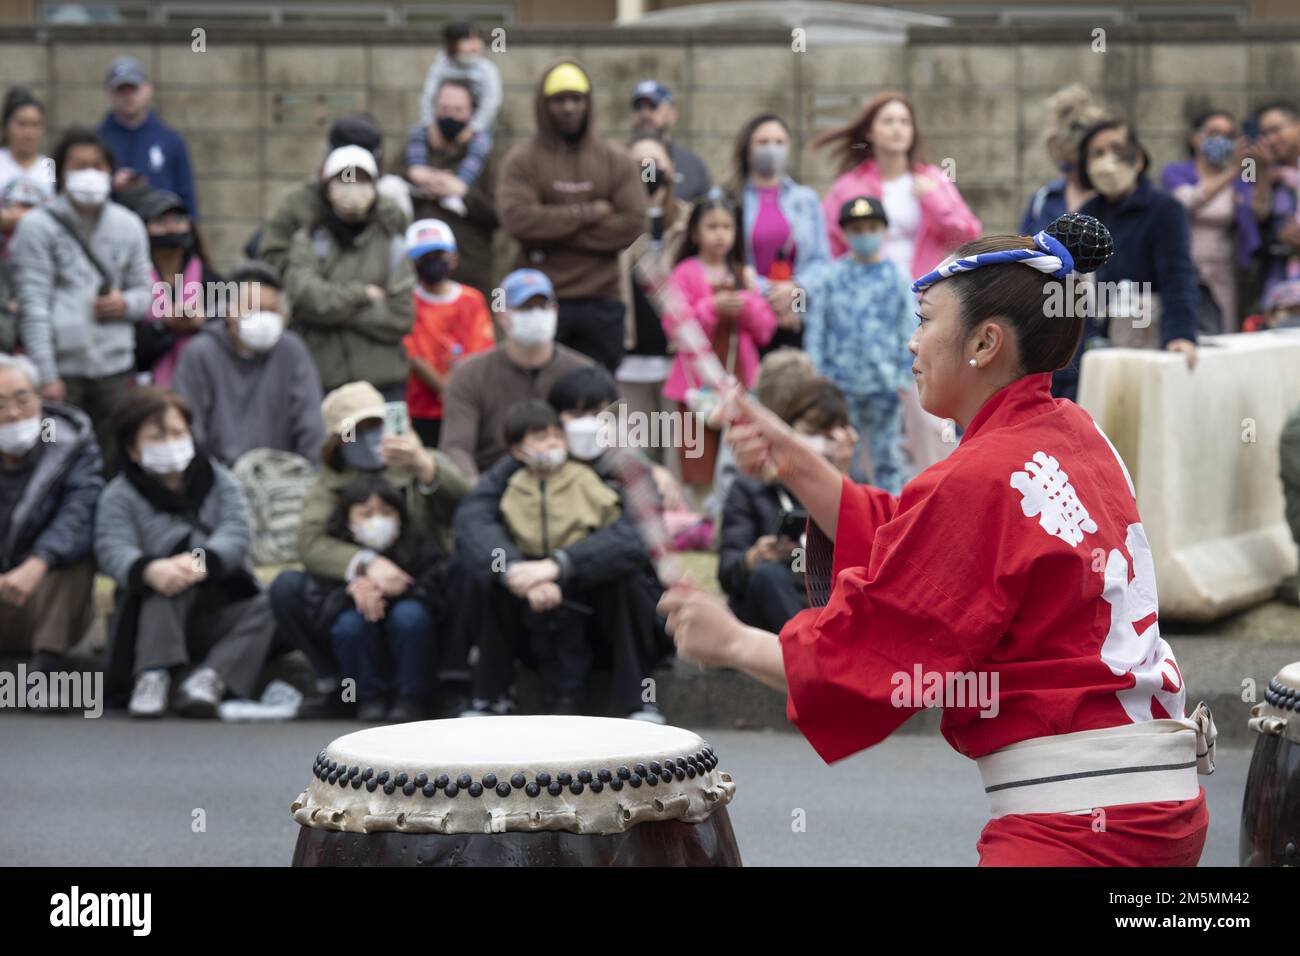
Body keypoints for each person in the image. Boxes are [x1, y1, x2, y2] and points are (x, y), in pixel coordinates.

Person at [661, 214, 1214, 866]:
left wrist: (729, 641)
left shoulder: (980, 476)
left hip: (1076, 826)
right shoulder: (1073, 433)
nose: (911, 343)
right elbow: (923, 536)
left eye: (925, 320)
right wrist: (794, 458)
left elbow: (876, 648)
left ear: (983, 343)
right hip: (1155, 804)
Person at [452, 371, 673, 722]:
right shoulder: (519, 466)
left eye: (601, 415)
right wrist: (513, 569)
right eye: (577, 415)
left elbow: (640, 534)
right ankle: (490, 697)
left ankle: (637, 701)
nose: (589, 425)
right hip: (533, 602)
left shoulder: (629, 468)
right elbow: (472, 521)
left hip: (607, 610)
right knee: (482, 572)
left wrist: (561, 564)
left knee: (626, 578)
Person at [269, 381, 467, 718]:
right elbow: (310, 543)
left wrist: (424, 466)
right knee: (286, 587)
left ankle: (448, 684)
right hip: (351, 592)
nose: (369, 437)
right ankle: (338, 687)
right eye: (356, 430)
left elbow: (467, 507)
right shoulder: (328, 484)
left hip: (421, 583)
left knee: (468, 570)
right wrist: (364, 566)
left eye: (375, 426)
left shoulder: (420, 463)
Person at [95, 387, 275, 718]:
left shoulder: (219, 479)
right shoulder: (118, 494)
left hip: (220, 605)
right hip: (153, 615)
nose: (171, 442)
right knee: (166, 582)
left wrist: (200, 561)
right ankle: (153, 674)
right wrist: (150, 569)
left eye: (178, 432)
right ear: (133, 449)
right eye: (157, 436)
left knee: (273, 601)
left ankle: (211, 678)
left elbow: (238, 529)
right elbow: (111, 546)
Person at [9, 126, 152, 463]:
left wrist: (125, 304)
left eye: (98, 165)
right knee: (52, 458)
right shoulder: (36, 227)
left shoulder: (129, 225)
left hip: (115, 370)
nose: (90, 173)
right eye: (79, 166)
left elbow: (147, 293)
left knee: (115, 459)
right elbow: (33, 304)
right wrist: (46, 375)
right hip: (59, 372)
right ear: (61, 173)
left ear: (110, 171)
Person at [496, 59, 647, 373]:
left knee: (599, 401)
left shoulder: (615, 158)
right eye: (559, 100)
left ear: (588, 104)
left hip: (602, 301)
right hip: (541, 303)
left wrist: (552, 232)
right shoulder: (522, 160)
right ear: (543, 105)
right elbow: (517, 220)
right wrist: (589, 212)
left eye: (576, 99)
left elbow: (633, 224)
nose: (568, 108)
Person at [1060, 120, 1197, 401]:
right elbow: (1073, 290)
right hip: (1095, 342)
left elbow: (1178, 276)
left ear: (1138, 158)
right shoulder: (1086, 214)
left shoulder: (1164, 209)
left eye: (1117, 149)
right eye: (1097, 153)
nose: (1107, 160)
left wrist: (1180, 335)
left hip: (1149, 337)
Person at [718, 376, 854, 635]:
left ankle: (827, 649)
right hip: (771, 597)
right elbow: (727, 572)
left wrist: (841, 476)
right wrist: (753, 557)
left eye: (829, 437)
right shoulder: (749, 487)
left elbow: (866, 562)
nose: (819, 446)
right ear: (788, 430)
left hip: (824, 597)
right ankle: (814, 652)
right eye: (811, 433)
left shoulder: (854, 487)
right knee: (767, 575)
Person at [303, 474, 445, 722]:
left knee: (410, 617)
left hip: (407, 632)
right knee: (349, 625)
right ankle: (366, 698)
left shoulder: (418, 547)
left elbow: (438, 596)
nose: (377, 520)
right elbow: (320, 610)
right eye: (366, 514)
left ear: (400, 515)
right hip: (358, 633)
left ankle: (410, 697)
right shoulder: (335, 557)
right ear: (348, 519)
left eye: (386, 512)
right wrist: (351, 592)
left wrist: (399, 591)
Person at [661, 194, 775, 490]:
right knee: (696, 458)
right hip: (695, 386)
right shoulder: (684, 273)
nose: (720, 234)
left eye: (727, 226)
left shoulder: (743, 275)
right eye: (712, 226)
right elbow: (674, 325)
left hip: (740, 383)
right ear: (695, 233)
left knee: (742, 457)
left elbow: (766, 330)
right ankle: (697, 523)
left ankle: (731, 518)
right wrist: (711, 308)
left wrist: (747, 305)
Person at [0, 353, 102, 682]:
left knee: (76, 554)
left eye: (22, 399)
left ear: (40, 397)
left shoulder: (69, 445)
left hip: (40, 595)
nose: (13, 414)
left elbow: (80, 512)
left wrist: (38, 562)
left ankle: (45, 671)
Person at [283, 145, 415, 399]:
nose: (353, 187)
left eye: (362, 180)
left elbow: (400, 316)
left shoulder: (394, 244)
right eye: (345, 179)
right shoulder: (308, 241)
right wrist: (361, 295)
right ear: (327, 188)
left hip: (384, 385)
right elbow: (305, 297)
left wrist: (330, 311)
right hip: (323, 383)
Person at [438, 268, 591, 482]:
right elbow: (456, 447)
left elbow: (611, 438)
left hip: (568, 487)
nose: (536, 314)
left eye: (542, 306)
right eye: (525, 307)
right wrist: (476, 495)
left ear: (555, 310)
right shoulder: (469, 374)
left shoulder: (583, 371)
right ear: (502, 315)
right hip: (494, 485)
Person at [804, 196, 914, 492]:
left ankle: (891, 521)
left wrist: (905, 376)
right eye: (857, 229)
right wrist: (819, 379)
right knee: (841, 457)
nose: (864, 235)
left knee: (888, 458)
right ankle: (844, 521)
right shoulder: (832, 276)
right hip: (841, 386)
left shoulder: (897, 277)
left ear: (883, 230)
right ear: (845, 233)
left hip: (884, 386)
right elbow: (817, 330)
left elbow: (910, 329)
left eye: (871, 227)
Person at [172, 261, 325, 467]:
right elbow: (190, 428)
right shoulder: (199, 353)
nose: (264, 318)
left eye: (272, 311)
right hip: (218, 477)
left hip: (283, 475)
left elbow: (311, 423)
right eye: (254, 309)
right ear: (229, 312)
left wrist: (305, 476)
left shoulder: (291, 350)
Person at [815, 92, 980, 278]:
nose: (897, 128)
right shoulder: (849, 185)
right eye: (888, 121)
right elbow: (826, 245)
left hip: (923, 293)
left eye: (905, 122)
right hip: (867, 294)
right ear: (869, 132)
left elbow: (967, 238)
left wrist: (935, 200)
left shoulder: (934, 179)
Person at [615, 136, 692, 465]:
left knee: (679, 460)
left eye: (655, 163)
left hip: (678, 362)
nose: (648, 171)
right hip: (629, 362)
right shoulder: (613, 222)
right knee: (635, 461)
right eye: (638, 165)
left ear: (671, 170)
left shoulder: (690, 222)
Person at [257, 113, 410, 275]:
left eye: (362, 176)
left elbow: (405, 267)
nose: (352, 184)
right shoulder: (298, 203)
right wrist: (307, 278)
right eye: (345, 173)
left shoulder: (389, 211)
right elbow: (272, 256)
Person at [727, 113, 829, 351]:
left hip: (799, 315)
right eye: (763, 142)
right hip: (746, 316)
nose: (772, 149)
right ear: (746, 148)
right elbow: (722, 260)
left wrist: (795, 292)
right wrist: (770, 294)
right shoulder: (729, 199)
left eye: (779, 142)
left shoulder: (806, 200)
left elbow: (821, 262)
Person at [1161, 110, 1260, 333]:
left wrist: (1256, 168)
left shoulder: (1241, 176)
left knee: (1223, 331)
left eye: (1229, 134)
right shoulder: (1175, 171)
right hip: (1184, 266)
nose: (1222, 139)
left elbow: (1256, 210)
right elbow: (1187, 201)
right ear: (1195, 137)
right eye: (1214, 132)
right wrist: (1234, 170)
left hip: (1222, 270)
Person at [400, 218, 494, 449]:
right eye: (425, 258)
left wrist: (458, 390)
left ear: (454, 258)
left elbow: (481, 349)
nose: (433, 263)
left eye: (439, 255)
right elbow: (412, 354)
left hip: (467, 405)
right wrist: (447, 388)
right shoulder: (406, 302)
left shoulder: (472, 299)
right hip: (420, 408)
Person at [403, 79, 500, 298]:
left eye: (458, 110)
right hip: (418, 276)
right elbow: (386, 189)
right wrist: (415, 180)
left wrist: (463, 193)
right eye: (444, 109)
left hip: (470, 275)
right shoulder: (413, 149)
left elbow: (499, 213)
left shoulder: (487, 156)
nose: (450, 116)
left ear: (472, 113)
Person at [128, 188, 220, 387]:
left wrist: (203, 323)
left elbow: (226, 335)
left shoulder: (211, 281)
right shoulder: (132, 282)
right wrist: (165, 326)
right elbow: (130, 348)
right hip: (144, 388)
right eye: (160, 222)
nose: (171, 228)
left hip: (201, 383)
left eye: (178, 220)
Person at [413, 22, 501, 221]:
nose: (474, 44)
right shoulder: (441, 65)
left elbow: (491, 103)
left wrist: (473, 129)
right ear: (453, 44)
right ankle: (419, 172)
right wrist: (431, 126)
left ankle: (459, 185)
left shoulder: (485, 69)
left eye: (477, 38)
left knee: (482, 145)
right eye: (467, 39)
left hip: (476, 124)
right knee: (416, 132)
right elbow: (428, 96)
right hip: (442, 123)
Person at [96, 56, 198, 219]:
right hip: (110, 225)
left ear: (147, 90)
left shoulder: (170, 140)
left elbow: (186, 195)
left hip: (160, 229)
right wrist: (110, 184)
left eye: (133, 89)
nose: (128, 97)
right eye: (121, 91)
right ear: (110, 94)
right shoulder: (97, 140)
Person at [1019, 84, 1109, 235]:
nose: (1071, 171)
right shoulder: (1043, 200)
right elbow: (1024, 250)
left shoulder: (1114, 202)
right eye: (1068, 165)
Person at [1249, 100, 1300, 303]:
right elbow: (1255, 216)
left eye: (1276, 130)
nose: (1271, 139)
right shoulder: (1256, 167)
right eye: (1265, 134)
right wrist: (1262, 173)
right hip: (1279, 273)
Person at [629, 80, 711, 201]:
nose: (644, 114)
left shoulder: (692, 166)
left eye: (653, 106)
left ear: (672, 114)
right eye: (638, 107)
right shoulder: (616, 161)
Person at [0, 88, 52, 215]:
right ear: (5, 127)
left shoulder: (49, 165)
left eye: (35, 125)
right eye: (22, 124)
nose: (28, 133)